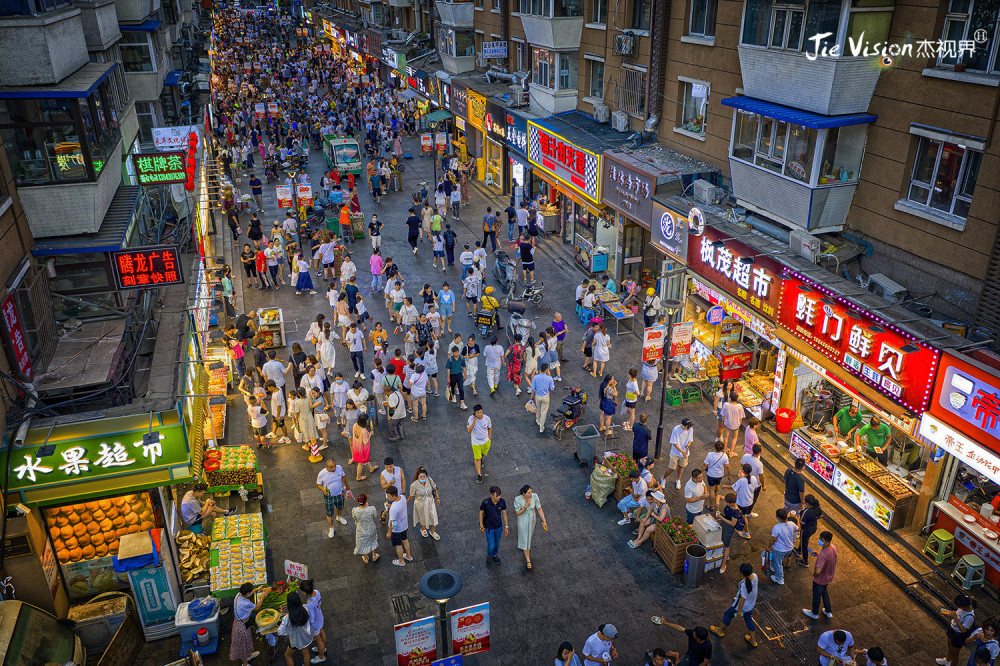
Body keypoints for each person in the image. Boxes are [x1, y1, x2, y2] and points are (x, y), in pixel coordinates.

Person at [710, 562, 760, 648]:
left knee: (727, 614)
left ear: (741, 573)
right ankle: (753, 640)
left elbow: (742, 599)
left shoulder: (743, 584)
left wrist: (739, 611)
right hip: (750, 606)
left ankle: (720, 630)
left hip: (739, 607)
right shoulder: (755, 576)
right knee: (748, 620)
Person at [230, 582, 267, 665]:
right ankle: (245, 663)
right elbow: (257, 607)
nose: (251, 592)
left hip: (240, 622)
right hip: (241, 626)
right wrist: (262, 597)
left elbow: (249, 593)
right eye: (250, 591)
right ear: (247, 593)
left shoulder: (239, 595)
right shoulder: (246, 603)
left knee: (246, 641)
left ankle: (249, 655)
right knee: (242, 645)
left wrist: (258, 589)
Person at [803, 530, 837, 619]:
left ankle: (814, 613)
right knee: (824, 592)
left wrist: (814, 575)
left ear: (827, 541)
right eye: (819, 539)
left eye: (822, 540)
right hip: (828, 577)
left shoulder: (823, 554)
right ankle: (828, 611)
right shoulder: (833, 547)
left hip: (820, 579)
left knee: (817, 595)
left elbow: (818, 571)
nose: (819, 541)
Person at [514, 484, 547, 569]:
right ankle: (528, 559)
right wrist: (525, 506)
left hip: (532, 519)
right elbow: (518, 513)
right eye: (528, 493)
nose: (530, 494)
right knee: (525, 538)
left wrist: (544, 520)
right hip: (523, 520)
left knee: (529, 536)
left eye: (531, 492)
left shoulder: (535, 496)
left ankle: (526, 547)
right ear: (524, 493)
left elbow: (539, 508)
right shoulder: (518, 499)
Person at [316, 458, 350, 538]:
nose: (334, 468)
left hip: (339, 493)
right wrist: (323, 489)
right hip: (329, 496)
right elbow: (318, 484)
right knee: (330, 513)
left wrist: (347, 485)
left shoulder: (339, 468)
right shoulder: (321, 474)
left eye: (334, 466)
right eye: (331, 467)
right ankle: (331, 528)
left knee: (340, 507)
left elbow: (344, 477)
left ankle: (339, 517)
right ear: (327, 467)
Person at [278, 593, 314, 666]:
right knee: (306, 653)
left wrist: (288, 632)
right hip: (306, 636)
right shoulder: (305, 608)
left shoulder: (287, 618)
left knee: (287, 655)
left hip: (295, 640)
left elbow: (280, 632)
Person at [768, 508, 799, 585]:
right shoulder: (792, 524)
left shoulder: (777, 527)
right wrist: (797, 520)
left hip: (779, 549)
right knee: (778, 561)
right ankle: (774, 566)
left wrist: (769, 547)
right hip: (789, 548)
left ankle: (779, 578)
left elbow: (774, 539)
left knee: (778, 563)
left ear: (778, 517)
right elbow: (798, 528)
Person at [299, 579, 327, 664]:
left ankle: (321, 656)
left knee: (318, 640)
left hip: (315, 624)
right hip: (320, 617)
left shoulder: (310, 604)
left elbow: (312, 619)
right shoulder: (316, 592)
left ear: (304, 592)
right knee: (322, 632)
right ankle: (323, 648)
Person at [408, 466, 440, 540]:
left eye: (424, 476)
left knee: (433, 516)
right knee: (421, 516)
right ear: (418, 477)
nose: (423, 478)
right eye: (421, 477)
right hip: (420, 503)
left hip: (430, 502)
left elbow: (434, 488)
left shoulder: (429, 480)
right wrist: (405, 501)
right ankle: (423, 529)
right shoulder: (414, 485)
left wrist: (437, 498)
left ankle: (433, 531)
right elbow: (411, 495)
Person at [386, 484, 414, 567]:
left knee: (398, 545)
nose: (387, 497)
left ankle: (401, 561)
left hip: (396, 529)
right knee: (405, 539)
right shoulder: (402, 497)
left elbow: (393, 522)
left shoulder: (394, 509)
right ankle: (408, 556)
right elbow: (400, 508)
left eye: (388, 496)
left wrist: (389, 532)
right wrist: (391, 506)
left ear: (394, 496)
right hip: (404, 525)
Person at [662, 418, 694, 490]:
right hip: (675, 453)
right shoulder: (676, 429)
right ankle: (663, 478)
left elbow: (690, 440)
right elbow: (674, 443)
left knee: (681, 466)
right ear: (683, 425)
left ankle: (678, 480)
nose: (689, 428)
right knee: (672, 468)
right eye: (687, 427)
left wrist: (687, 446)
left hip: (684, 453)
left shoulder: (690, 429)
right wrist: (682, 452)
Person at [480, 485, 508, 564]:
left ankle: (495, 555)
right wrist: (481, 525)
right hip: (489, 528)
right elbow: (481, 513)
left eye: (499, 495)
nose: (498, 497)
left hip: (499, 527)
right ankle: (489, 555)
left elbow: (504, 513)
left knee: (497, 544)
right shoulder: (486, 502)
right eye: (497, 496)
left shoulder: (502, 502)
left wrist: (506, 526)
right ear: (491, 495)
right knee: (491, 545)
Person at [352, 493, 380, 563]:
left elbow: (354, 517)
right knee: (372, 540)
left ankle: (366, 557)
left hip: (360, 530)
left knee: (363, 543)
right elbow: (375, 515)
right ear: (366, 501)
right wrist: (368, 507)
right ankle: (374, 555)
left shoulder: (355, 510)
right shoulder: (372, 509)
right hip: (371, 528)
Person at [703, 439, 731, 510]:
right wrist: (729, 475)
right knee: (717, 485)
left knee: (711, 489)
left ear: (715, 447)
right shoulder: (724, 456)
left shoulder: (710, 454)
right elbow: (727, 467)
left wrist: (700, 471)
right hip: (720, 475)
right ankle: (715, 494)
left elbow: (704, 465)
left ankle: (711, 505)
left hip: (711, 475)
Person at [797, 494, 823, 566]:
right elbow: (820, 516)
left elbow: (801, 522)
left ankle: (805, 560)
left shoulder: (807, 511)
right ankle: (799, 550)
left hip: (806, 529)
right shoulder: (817, 507)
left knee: (804, 543)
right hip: (813, 527)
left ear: (807, 503)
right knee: (804, 540)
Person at [351, 414, 378, 480]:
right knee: (361, 463)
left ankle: (371, 468)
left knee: (365, 460)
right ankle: (358, 476)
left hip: (356, 446)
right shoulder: (364, 431)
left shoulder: (355, 425)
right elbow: (365, 442)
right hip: (362, 449)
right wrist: (370, 435)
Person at [532, 363, 555, 434]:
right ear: (547, 369)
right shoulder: (549, 378)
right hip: (545, 396)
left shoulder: (536, 377)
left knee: (538, 408)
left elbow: (533, 388)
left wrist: (532, 395)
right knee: (544, 412)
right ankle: (541, 427)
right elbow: (552, 388)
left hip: (538, 396)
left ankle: (538, 420)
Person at [445, 345, 469, 410]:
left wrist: (465, 375)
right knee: (452, 387)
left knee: (461, 389)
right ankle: (453, 395)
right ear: (453, 353)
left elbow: (464, 367)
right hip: (452, 375)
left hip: (459, 375)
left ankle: (462, 403)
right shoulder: (450, 359)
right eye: (456, 352)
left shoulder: (461, 358)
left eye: (458, 352)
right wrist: (448, 378)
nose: (457, 353)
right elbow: (448, 369)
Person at [721, 391, 744, 455]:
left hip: (727, 423)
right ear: (737, 398)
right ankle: (731, 452)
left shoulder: (726, 404)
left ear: (730, 398)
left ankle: (725, 449)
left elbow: (723, 414)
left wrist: (723, 421)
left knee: (726, 436)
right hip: (735, 424)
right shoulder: (739, 406)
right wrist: (739, 424)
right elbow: (740, 417)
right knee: (734, 437)